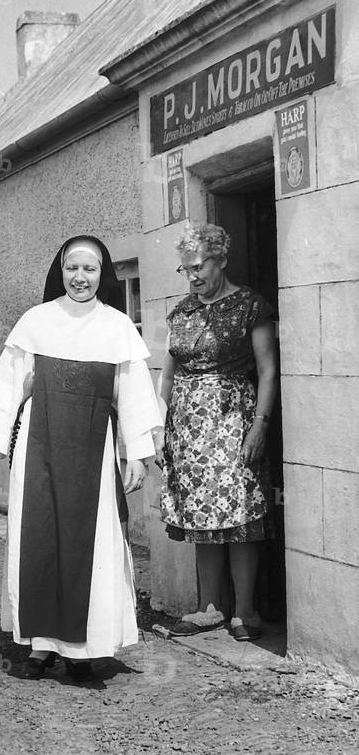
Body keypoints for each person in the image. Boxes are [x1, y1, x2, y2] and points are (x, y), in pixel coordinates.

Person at [0, 235, 162, 681]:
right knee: (38, 541)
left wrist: (136, 453)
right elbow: (9, 388)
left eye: (90, 269)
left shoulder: (117, 327)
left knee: (91, 546)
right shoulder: (36, 322)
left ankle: (84, 648)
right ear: (60, 271)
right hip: (38, 451)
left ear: (103, 274)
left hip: (93, 457)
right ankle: (41, 645)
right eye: (72, 268)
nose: (80, 278)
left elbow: (134, 395)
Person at [156, 223, 277, 642]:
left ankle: (245, 610)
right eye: (185, 269)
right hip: (188, 431)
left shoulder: (250, 306)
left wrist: (260, 425)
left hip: (233, 423)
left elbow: (267, 369)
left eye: (198, 266)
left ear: (221, 259)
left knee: (241, 517)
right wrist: (161, 429)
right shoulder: (181, 312)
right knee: (201, 518)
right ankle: (210, 607)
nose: (192, 276)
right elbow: (167, 376)